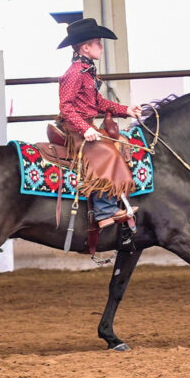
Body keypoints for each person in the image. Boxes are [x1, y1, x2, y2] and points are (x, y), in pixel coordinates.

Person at [57, 18, 142, 228]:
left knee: (117, 144)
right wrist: (84, 128)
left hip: (86, 126)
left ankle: (114, 201)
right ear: (85, 47)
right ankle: (104, 212)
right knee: (106, 154)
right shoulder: (75, 73)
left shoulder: (87, 71)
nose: (101, 47)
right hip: (75, 128)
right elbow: (66, 107)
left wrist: (126, 110)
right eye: (98, 43)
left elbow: (97, 102)